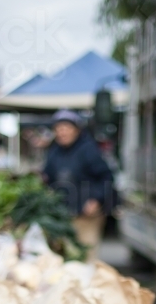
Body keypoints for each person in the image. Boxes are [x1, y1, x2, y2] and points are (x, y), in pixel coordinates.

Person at [43, 110, 114, 257]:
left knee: (85, 254)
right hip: (63, 215)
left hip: (87, 214)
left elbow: (106, 177)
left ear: (76, 130)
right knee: (65, 256)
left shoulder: (88, 150)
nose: (62, 132)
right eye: (58, 129)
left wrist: (96, 199)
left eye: (66, 128)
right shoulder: (54, 152)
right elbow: (47, 177)